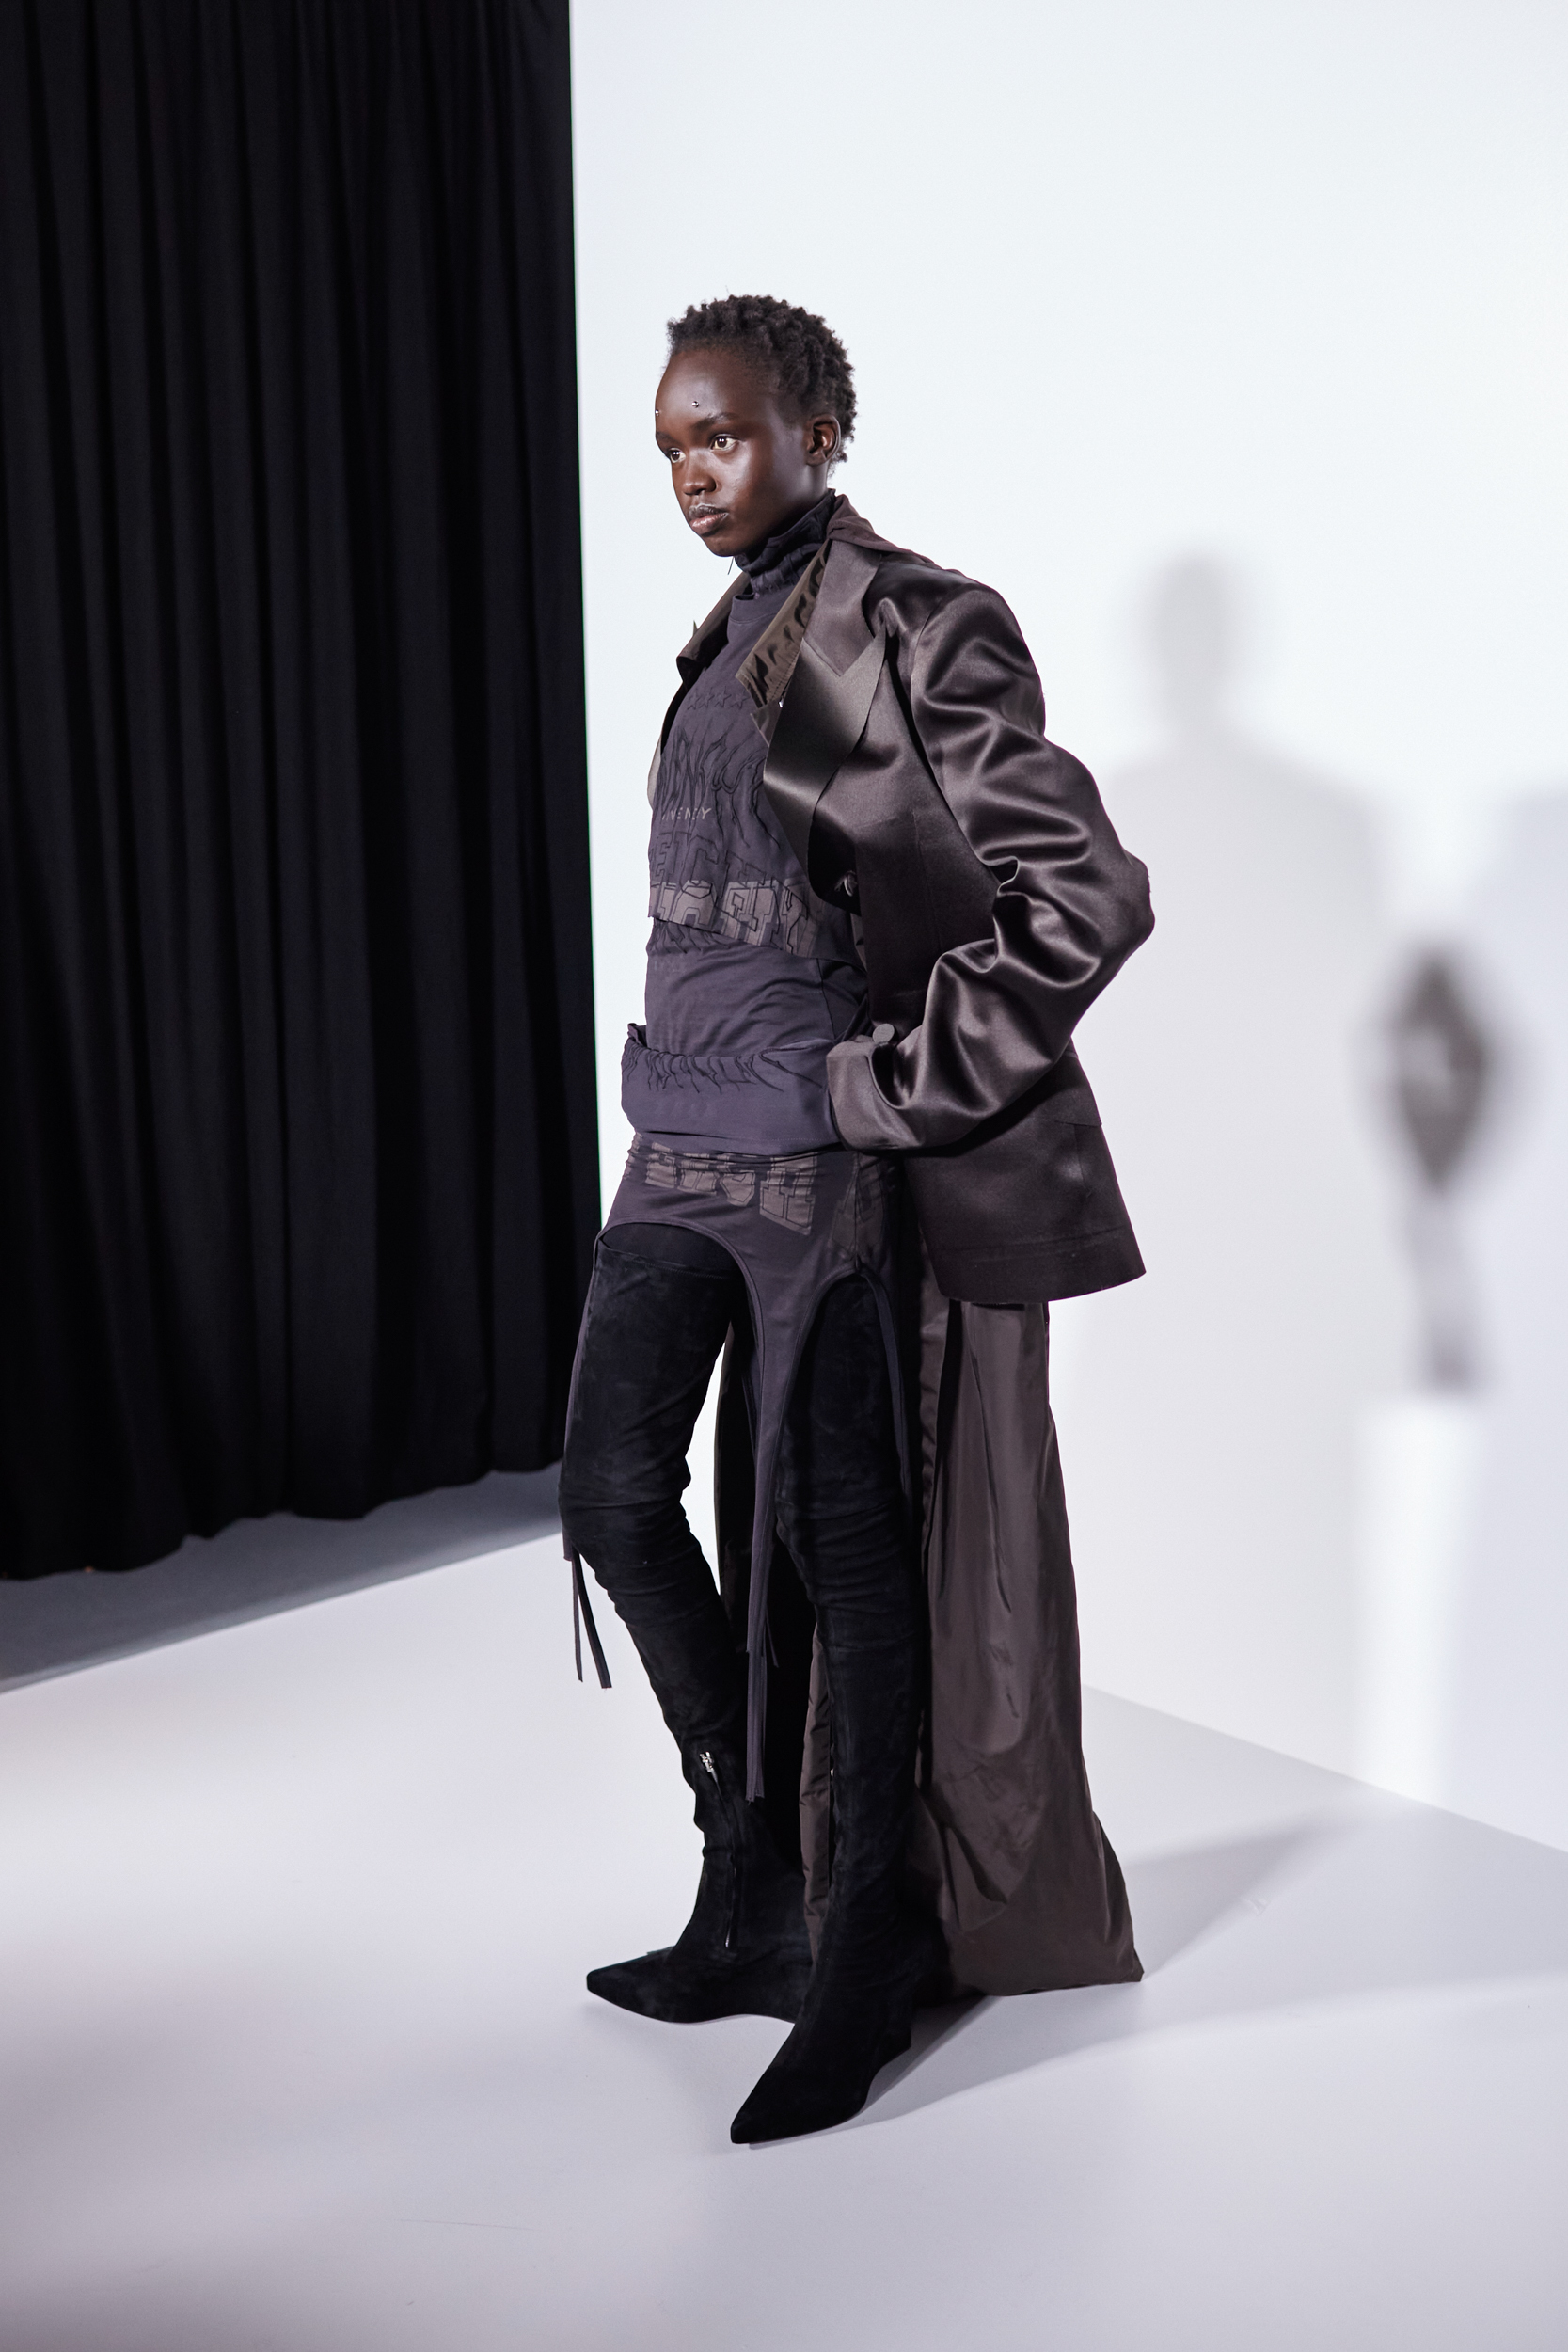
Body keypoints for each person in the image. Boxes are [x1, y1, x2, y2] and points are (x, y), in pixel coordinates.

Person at [557, 294, 1152, 2146]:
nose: (692, 473)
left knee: (840, 1539)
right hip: (676, 1134)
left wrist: (883, 1088)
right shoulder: (724, 632)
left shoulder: (898, 618)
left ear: (818, 428)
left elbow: (1083, 891)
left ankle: (868, 1932)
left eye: (723, 435)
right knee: (608, 1490)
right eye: (671, 447)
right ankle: (753, 1879)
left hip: (813, 1161)